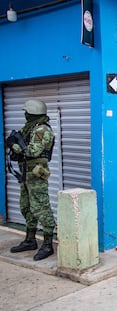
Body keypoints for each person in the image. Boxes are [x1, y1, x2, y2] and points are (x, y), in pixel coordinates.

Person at [7, 99, 56, 261]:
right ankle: (30, 239)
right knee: (26, 206)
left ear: (33, 112)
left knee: (41, 207)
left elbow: (33, 152)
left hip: (36, 174)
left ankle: (48, 244)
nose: (25, 114)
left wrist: (15, 145)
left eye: (27, 112)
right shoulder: (30, 128)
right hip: (25, 174)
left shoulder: (42, 130)